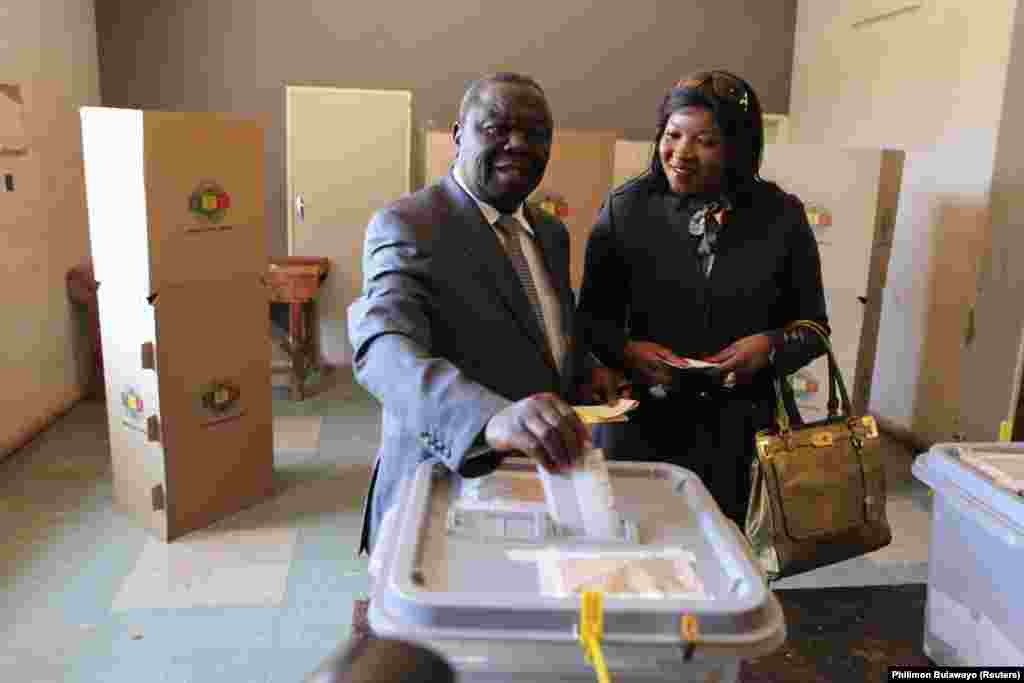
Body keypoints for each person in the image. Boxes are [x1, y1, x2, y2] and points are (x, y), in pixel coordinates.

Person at [348, 72, 619, 556]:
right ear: (458, 135)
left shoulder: (550, 233)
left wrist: (585, 371)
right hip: (444, 488)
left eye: (536, 134)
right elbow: (384, 346)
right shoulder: (410, 224)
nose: (518, 144)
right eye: (496, 128)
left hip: (535, 487)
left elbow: (545, 329)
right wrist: (489, 418)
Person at [576, 70, 829, 525]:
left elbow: (813, 328)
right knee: (633, 554)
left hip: (737, 434)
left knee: (725, 556)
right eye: (672, 135)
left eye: (705, 142)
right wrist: (627, 350)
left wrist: (769, 345)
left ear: (739, 146)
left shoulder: (781, 216)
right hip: (639, 426)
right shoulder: (626, 209)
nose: (681, 155)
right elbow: (590, 320)